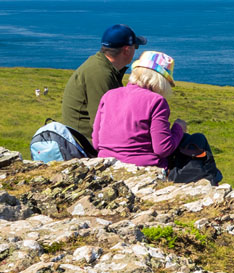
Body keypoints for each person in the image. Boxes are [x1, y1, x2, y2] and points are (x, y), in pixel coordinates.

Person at [61, 24, 146, 156]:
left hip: (87, 143)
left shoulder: (102, 68)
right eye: (136, 47)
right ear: (126, 50)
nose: (136, 52)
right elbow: (103, 122)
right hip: (86, 148)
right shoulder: (100, 73)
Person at [91, 50, 185, 168]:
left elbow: (96, 143)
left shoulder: (109, 95)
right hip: (144, 168)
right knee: (195, 141)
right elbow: (163, 149)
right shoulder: (156, 101)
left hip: (106, 165)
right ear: (161, 80)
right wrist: (179, 129)